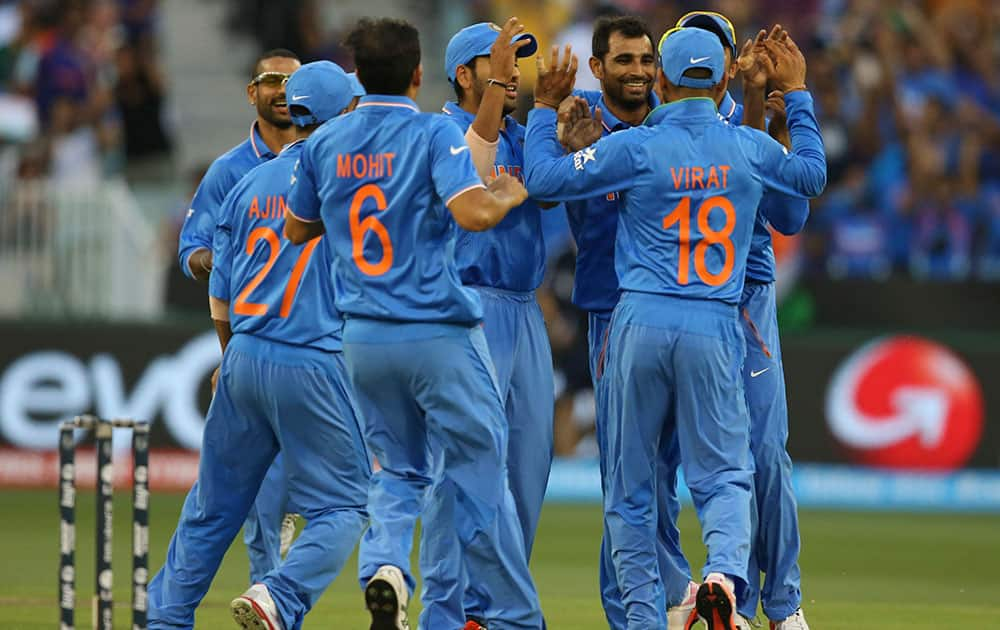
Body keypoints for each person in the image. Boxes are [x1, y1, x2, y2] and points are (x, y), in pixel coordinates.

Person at [524, 27, 826, 630]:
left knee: (631, 486)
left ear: (661, 80)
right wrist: (797, 97)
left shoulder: (636, 146)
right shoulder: (745, 145)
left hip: (636, 320)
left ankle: (643, 617)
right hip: (716, 321)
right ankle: (722, 577)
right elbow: (810, 178)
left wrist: (538, 112)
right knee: (723, 475)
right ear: (720, 84)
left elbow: (544, 180)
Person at [283, 17, 543, 630]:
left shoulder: (326, 143)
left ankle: (385, 568)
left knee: (398, 471)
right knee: (481, 471)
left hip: (363, 338)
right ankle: (511, 617)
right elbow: (476, 212)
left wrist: (347, 211)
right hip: (434, 331)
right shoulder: (431, 135)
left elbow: (296, 228)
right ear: (420, 74)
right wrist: (508, 193)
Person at [148, 61, 370, 630]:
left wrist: (232, 353)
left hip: (243, 353)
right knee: (345, 505)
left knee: (211, 508)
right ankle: (280, 597)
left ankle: (164, 617)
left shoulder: (249, 182)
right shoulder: (348, 182)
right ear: (339, 114)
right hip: (312, 358)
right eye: (354, 108)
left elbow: (219, 291)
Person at [649, 13, 814, 629]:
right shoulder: (659, 128)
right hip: (670, 307)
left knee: (764, 455)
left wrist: (760, 116)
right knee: (658, 462)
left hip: (744, 302)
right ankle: (696, 594)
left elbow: (790, 214)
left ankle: (779, 602)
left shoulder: (743, 131)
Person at [554, 14, 698, 630]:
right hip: (613, 314)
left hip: (678, 312)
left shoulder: (674, 125)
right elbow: (576, 224)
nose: (637, 72)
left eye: (646, 61)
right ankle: (663, 599)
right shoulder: (582, 127)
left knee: (660, 473)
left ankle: (661, 601)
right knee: (626, 475)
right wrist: (577, 154)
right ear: (597, 68)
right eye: (624, 61)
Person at [176, 47, 302, 584]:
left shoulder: (322, 158)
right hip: (256, 339)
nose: (280, 91)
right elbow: (192, 250)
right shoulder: (229, 170)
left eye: (290, 83)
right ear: (252, 93)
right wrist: (221, 254)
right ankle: (267, 593)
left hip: (319, 341)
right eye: (270, 81)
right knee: (252, 497)